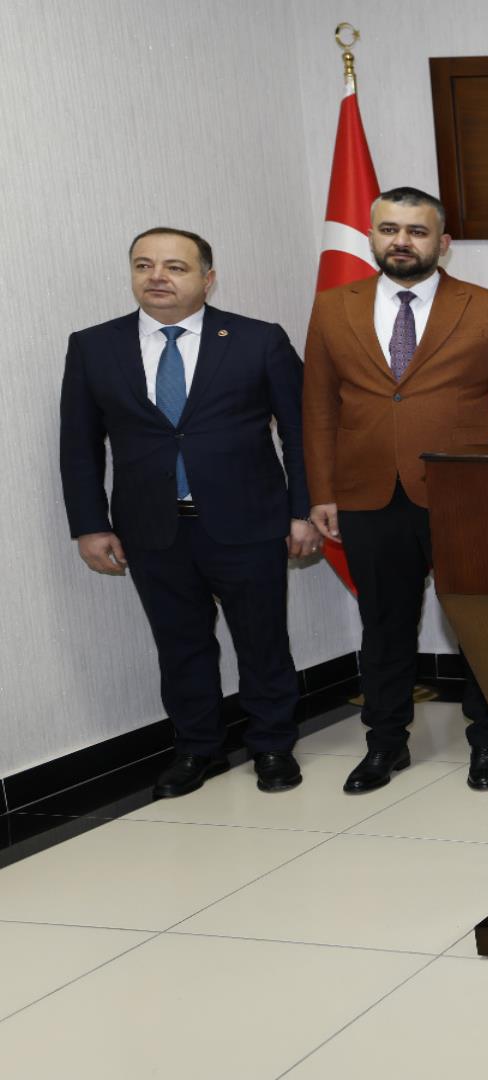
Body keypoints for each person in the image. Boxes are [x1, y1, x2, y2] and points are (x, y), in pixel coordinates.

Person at [59, 227, 319, 798]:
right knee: (180, 645)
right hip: (152, 527)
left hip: (249, 521)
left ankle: (272, 744)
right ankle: (197, 747)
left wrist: (301, 510)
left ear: (208, 278)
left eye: (175, 267)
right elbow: (79, 444)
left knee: (262, 639)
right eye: (143, 265)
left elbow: (301, 431)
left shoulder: (258, 339)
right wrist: (90, 525)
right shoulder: (94, 346)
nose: (157, 277)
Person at [303, 186, 488, 794]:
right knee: (383, 625)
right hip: (367, 493)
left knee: (478, 624)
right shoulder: (332, 307)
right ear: (372, 237)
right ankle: (385, 744)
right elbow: (319, 408)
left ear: (443, 243)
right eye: (389, 229)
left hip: (468, 493)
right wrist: (323, 491)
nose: (401, 242)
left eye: (416, 230)